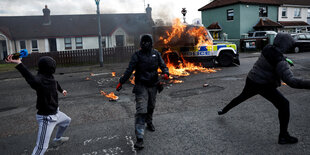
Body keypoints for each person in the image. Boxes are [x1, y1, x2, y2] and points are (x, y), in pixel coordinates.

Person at [218, 33, 310, 144]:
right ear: (286, 45)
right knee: (284, 105)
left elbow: (276, 55)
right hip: (263, 84)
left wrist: (285, 59)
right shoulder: (279, 61)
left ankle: (223, 110)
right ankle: (283, 136)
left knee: (241, 97)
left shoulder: (268, 48)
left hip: (252, 79)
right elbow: (292, 82)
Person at [6, 55, 71, 154]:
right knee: (41, 148)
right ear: (49, 68)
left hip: (56, 113)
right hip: (47, 118)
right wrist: (19, 63)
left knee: (67, 121)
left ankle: (57, 139)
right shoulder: (39, 80)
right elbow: (30, 78)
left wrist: (62, 90)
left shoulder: (50, 76)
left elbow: (56, 83)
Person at [116, 34, 169, 149]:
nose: (146, 44)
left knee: (151, 106)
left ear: (151, 43)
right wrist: (121, 82)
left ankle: (149, 122)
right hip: (141, 86)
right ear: (141, 43)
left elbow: (163, 65)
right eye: (144, 42)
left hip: (154, 85)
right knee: (141, 110)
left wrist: (166, 72)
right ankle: (139, 138)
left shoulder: (156, 54)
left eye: (148, 42)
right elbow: (129, 70)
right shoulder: (137, 55)